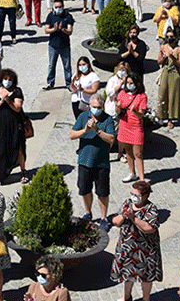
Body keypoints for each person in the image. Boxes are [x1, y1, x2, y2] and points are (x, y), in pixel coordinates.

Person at [110, 180, 162, 301]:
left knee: (146, 277)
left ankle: (146, 298)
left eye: (136, 195)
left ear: (145, 196)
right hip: (127, 247)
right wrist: (123, 216)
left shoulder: (151, 209)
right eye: (132, 194)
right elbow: (115, 222)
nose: (133, 197)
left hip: (146, 251)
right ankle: (126, 296)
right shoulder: (127, 204)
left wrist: (133, 218)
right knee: (127, 274)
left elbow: (149, 228)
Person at [68, 93, 115, 226]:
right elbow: (72, 135)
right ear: (90, 106)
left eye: (99, 107)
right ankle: (88, 213)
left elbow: (111, 139)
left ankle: (104, 218)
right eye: (94, 107)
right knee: (85, 190)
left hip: (101, 163)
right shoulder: (83, 117)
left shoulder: (108, 120)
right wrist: (85, 130)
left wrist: (97, 130)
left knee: (102, 192)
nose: (96, 109)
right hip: (84, 161)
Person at [0, 68, 26, 184]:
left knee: (17, 147)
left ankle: (23, 171)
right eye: (5, 79)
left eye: (10, 79)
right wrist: (1, 101)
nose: (7, 81)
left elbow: (17, 108)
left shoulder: (17, 91)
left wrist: (9, 100)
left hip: (13, 124)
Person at [116, 71, 147, 183]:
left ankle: (142, 179)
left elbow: (141, 114)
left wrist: (134, 111)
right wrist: (118, 107)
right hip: (124, 126)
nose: (129, 85)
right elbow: (118, 111)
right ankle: (132, 173)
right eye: (128, 83)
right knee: (128, 151)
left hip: (136, 127)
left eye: (131, 83)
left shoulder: (142, 96)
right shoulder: (122, 94)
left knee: (138, 153)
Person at [42, 0, 74, 90]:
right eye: (56, 7)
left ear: (63, 7)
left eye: (60, 7)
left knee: (67, 66)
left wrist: (62, 29)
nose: (58, 9)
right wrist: (54, 29)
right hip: (53, 46)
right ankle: (50, 82)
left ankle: (69, 84)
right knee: (51, 65)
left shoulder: (68, 17)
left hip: (64, 46)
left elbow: (70, 31)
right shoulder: (50, 16)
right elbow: (46, 30)